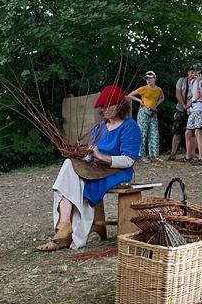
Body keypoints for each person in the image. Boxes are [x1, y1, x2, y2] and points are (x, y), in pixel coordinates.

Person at [38, 84, 141, 251]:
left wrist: (101, 156)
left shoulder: (130, 127)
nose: (105, 109)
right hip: (95, 169)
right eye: (102, 107)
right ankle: (65, 226)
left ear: (120, 106)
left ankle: (66, 231)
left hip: (117, 172)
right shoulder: (99, 128)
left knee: (72, 180)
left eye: (109, 106)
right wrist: (82, 155)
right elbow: (90, 156)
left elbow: (129, 160)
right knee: (69, 166)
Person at [128, 71, 164, 162]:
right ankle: (142, 155)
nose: (148, 80)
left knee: (154, 133)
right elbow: (130, 95)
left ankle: (154, 155)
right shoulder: (143, 88)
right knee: (142, 133)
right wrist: (140, 101)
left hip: (153, 112)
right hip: (144, 112)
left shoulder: (159, 89)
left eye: (150, 78)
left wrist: (156, 104)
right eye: (147, 79)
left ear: (154, 78)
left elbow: (162, 98)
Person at [185, 64, 202, 165]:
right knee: (188, 132)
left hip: (200, 108)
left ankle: (201, 158)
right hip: (193, 108)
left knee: (198, 132)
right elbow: (192, 96)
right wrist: (188, 106)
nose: (194, 72)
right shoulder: (192, 82)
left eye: (195, 70)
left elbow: (199, 95)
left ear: (200, 71)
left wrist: (199, 82)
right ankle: (188, 156)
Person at [168, 68, 191, 160]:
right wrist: (183, 105)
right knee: (176, 131)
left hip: (191, 110)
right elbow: (178, 94)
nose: (192, 74)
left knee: (190, 132)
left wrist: (188, 106)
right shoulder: (182, 80)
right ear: (188, 72)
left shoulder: (198, 82)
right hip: (180, 109)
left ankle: (189, 153)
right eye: (191, 71)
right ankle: (173, 153)